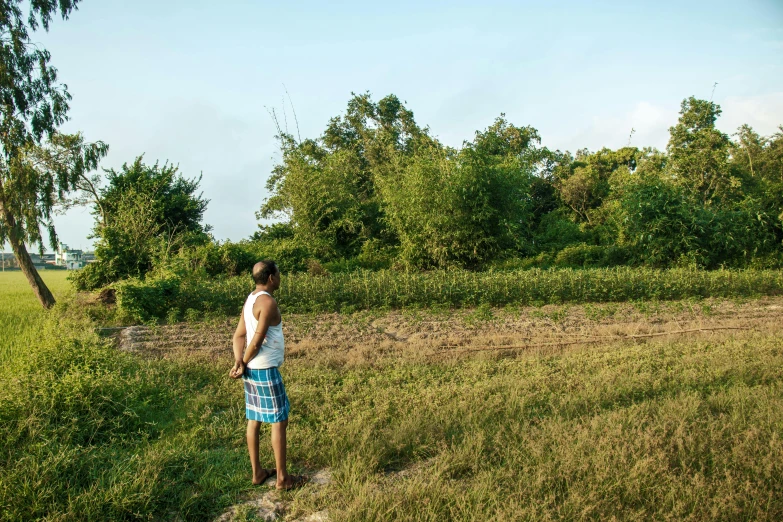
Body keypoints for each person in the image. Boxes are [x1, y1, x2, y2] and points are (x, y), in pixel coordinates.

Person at [229, 260, 306, 490]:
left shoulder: (250, 299)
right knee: (279, 421)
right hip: (265, 370)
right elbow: (257, 339)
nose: (280, 278)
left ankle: (258, 473)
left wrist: (239, 362)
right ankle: (283, 479)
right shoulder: (268, 302)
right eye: (279, 274)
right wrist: (243, 360)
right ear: (271, 277)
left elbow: (238, 336)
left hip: (251, 372)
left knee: (254, 419)